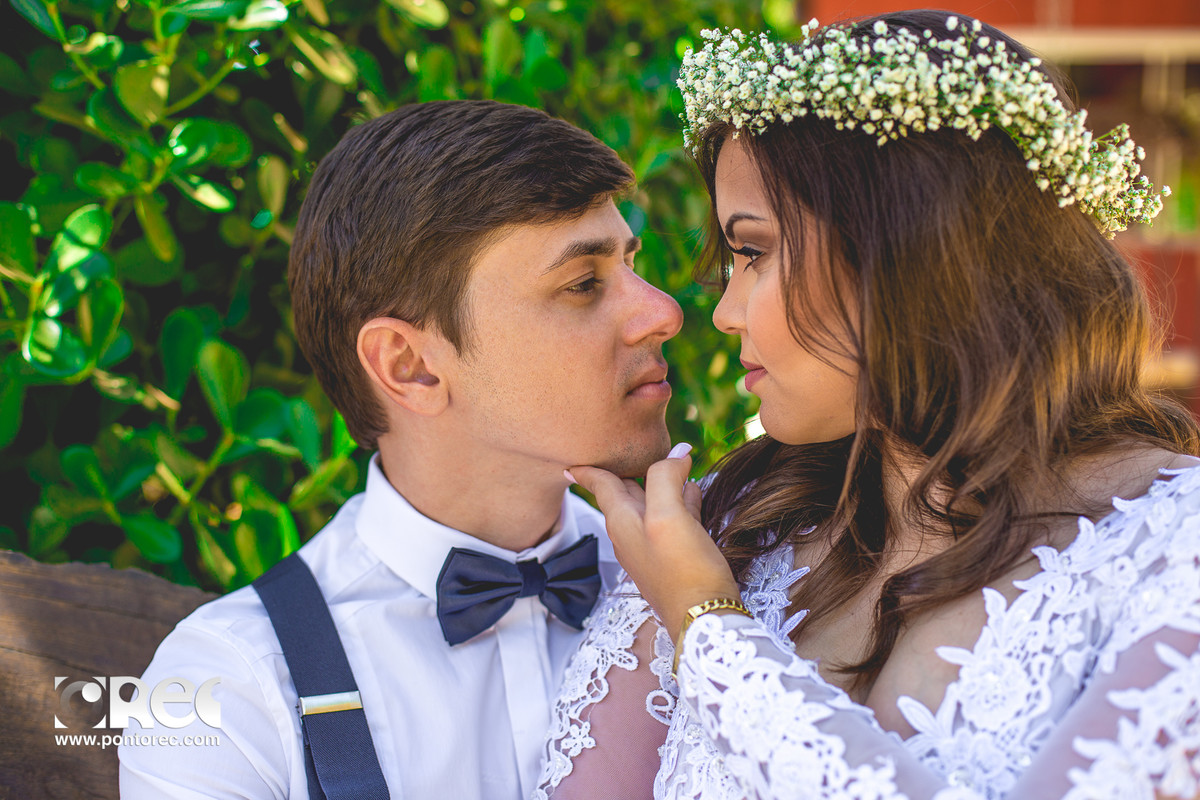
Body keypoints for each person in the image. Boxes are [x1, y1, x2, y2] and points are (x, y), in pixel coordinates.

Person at [538, 11, 1200, 799]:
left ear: (904, 247)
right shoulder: (730, 530)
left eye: (753, 252)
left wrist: (709, 628)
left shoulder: (1174, 550)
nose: (723, 313)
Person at [119, 100, 683, 799]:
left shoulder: (697, 597)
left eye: (633, 263)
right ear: (409, 366)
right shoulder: (233, 688)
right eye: (583, 284)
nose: (663, 312)